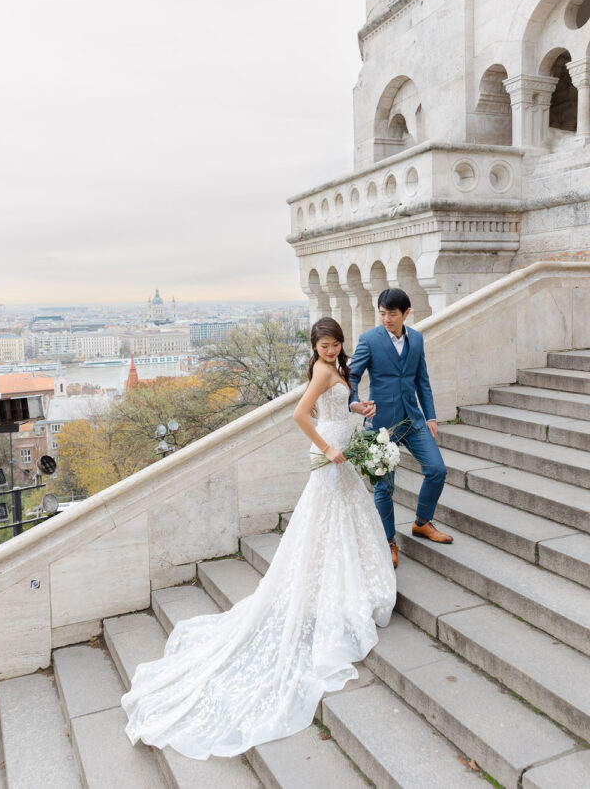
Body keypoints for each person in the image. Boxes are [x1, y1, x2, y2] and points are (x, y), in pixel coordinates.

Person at [121, 317, 396, 760]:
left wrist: (357, 412)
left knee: (336, 521)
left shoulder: (338, 370)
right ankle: (326, 588)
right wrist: (327, 448)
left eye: (336, 343)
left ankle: (333, 583)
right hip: (330, 454)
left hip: (341, 448)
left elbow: (333, 409)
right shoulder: (325, 371)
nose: (331, 349)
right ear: (316, 347)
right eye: (325, 344)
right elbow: (299, 414)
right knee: (325, 521)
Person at [349, 288, 452, 569]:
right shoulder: (369, 340)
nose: (386, 319)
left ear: (406, 313)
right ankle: (388, 541)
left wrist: (430, 416)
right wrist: (355, 402)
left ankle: (421, 522)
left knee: (437, 470)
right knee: (384, 487)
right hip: (381, 425)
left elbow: (423, 380)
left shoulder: (416, 339)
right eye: (382, 313)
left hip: (414, 421)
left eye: (391, 314)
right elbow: (352, 376)